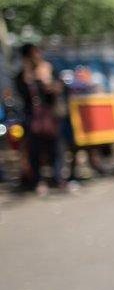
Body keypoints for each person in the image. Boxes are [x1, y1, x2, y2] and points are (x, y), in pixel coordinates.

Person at [14, 43, 66, 194]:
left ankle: (57, 178)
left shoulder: (48, 69)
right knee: (34, 150)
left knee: (56, 148)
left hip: (51, 115)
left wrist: (48, 82)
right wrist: (29, 78)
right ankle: (37, 181)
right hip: (32, 117)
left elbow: (59, 88)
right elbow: (20, 93)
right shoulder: (23, 75)